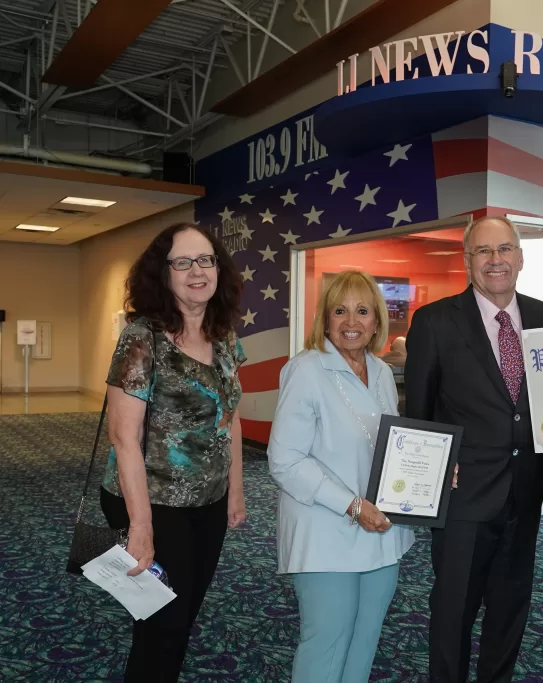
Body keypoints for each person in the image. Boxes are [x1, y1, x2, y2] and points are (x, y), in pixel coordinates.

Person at [405, 216, 543, 683]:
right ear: (467, 259)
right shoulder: (434, 322)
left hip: (527, 491)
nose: (496, 261)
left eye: (505, 249)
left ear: (520, 256)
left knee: (511, 607)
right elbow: (421, 408)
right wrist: (433, 467)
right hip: (464, 496)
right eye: (484, 252)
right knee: (454, 610)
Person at [100, 222, 247, 681]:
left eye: (205, 260)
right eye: (182, 262)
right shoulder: (144, 336)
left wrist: (236, 489)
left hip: (209, 498)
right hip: (151, 499)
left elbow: (231, 415)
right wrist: (140, 526)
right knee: (162, 622)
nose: (196, 271)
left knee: (184, 617)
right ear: (163, 274)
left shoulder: (224, 336)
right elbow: (123, 437)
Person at [267, 270, 415, 682]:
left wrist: (434, 474)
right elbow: (284, 460)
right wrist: (352, 506)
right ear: (325, 319)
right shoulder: (306, 370)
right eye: (340, 311)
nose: (351, 322)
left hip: (382, 530)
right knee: (327, 642)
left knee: (366, 637)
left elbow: (389, 445)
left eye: (362, 311)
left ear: (377, 320)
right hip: (325, 529)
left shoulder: (382, 373)